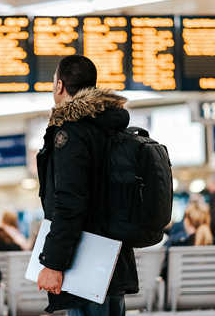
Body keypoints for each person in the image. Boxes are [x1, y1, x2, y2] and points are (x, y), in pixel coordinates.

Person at [36, 55, 138, 315]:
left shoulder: (71, 133)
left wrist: (53, 263)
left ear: (60, 86)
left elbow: (70, 202)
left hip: (85, 265)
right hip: (114, 259)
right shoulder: (112, 129)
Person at [160, 203, 213, 281]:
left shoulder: (176, 246)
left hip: (181, 291)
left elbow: (164, 275)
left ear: (187, 221)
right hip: (213, 291)